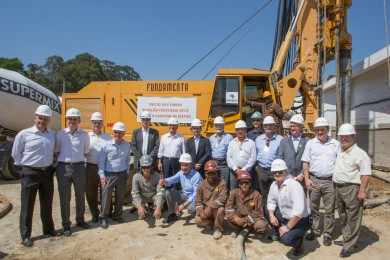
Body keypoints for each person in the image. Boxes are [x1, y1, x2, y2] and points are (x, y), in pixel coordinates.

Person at [11, 105, 56, 247]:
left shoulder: (52, 134)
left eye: (45, 118)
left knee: (47, 203)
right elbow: (15, 153)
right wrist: (24, 168)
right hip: (30, 173)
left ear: (49, 120)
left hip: (47, 173)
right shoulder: (24, 134)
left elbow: (54, 151)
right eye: (40, 117)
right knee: (27, 205)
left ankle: (48, 229)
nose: (42, 120)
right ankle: (25, 235)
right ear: (35, 117)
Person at [334, 124, 371, 258]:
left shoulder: (361, 154)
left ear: (353, 137)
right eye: (341, 136)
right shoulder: (340, 149)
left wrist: (362, 191)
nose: (343, 139)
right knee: (343, 215)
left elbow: (366, 174)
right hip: (338, 187)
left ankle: (349, 246)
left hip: (352, 188)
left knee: (353, 217)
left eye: (347, 136)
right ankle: (346, 239)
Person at [301, 117, 340, 245]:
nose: (319, 132)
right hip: (314, 180)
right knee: (314, 208)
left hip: (330, 181)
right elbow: (305, 162)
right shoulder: (311, 143)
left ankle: (328, 233)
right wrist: (307, 179)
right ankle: (316, 230)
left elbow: (340, 163)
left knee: (329, 209)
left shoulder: (335, 144)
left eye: (322, 129)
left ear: (327, 130)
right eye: (317, 130)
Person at [56, 108, 90, 236]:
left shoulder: (85, 135)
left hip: (79, 167)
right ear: (67, 120)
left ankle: (80, 220)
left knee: (80, 195)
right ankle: (66, 225)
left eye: (74, 119)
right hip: (63, 167)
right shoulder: (60, 134)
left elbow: (86, 151)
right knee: (65, 197)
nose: (72, 121)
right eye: (69, 118)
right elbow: (57, 150)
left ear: (79, 120)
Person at [267, 159, 310, 256]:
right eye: (275, 172)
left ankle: (298, 244)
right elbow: (271, 201)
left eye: (280, 172)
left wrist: (286, 227)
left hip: (300, 220)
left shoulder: (294, 185)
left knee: (285, 239)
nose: (277, 174)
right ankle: (278, 231)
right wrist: (271, 215)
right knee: (268, 211)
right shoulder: (274, 185)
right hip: (286, 215)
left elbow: (298, 213)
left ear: (286, 171)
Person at [98, 122, 131, 229]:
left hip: (121, 174)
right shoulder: (106, 145)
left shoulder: (127, 145)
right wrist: (102, 176)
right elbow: (101, 162)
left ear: (124, 133)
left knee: (120, 196)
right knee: (106, 197)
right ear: (113, 133)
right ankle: (104, 217)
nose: (118, 134)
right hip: (109, 175)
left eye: (120, 132)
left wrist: (127, 172)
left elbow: (127, 160)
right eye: (116, 132)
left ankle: (117, 215)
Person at [159, 153, 203, 224]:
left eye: (186, 165)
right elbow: (173, 179)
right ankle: (172, 214)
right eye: (182, 165)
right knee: (168, 192)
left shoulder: (196, 176)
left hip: (196, 198)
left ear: (191, 165)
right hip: (184, 195)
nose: (183, 167)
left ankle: (200, 213)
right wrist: (165, 181)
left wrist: (184, 205)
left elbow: (196, 194)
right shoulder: (181, 173)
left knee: (191, 209)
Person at [86, 112, 111, 223]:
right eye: (95, 122)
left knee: (104, 191)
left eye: (99, 122)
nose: (97, 124)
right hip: (90, 167)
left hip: (104, 168)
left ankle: (104, 214)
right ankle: (94, 214)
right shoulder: (86, 136)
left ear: (102, 124)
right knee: (90, 192)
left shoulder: (108, 137)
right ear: (92, 123)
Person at [225, 170, 268, 236]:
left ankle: (248, 229)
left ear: (250, 184)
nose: (244, 185)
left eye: (246, 183)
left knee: (261, 225)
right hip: (237, 219)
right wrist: (236, 218)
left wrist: (245, 220)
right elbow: (228, 209)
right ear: (239, 184)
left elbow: (259, 212)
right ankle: (238, 228)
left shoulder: (256, 195)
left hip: (250, 220)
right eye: (241, 183)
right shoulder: (234, 193)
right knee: (223, 215)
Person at [195, 160, 227, 240]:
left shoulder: (222, 183)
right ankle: (210, 223)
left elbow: (222, 199)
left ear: (217, 173)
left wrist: (210, 207)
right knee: (198, 220)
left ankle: (218, 229)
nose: (211, 175)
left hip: (216, 209)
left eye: (213, 173)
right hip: (206, 211)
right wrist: (201, 211)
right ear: (205, 174)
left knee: (221, 209)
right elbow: (198, 201)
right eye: (208, 173)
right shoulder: (201, 185)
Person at [255, 116, 283, 201]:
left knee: (276, 194)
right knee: (264, 194)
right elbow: (255, 154)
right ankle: (265, 213)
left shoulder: (280, 139)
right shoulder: (258, 139)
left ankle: (275, 213)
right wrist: (257, 168)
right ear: (263, 127)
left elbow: (282, 156)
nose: (268, 127)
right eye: (266, 125)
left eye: (271, 125)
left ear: (274, 126)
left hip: (275, 171)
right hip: (261, 170)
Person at [132, 155, 164, 221]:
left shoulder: (157, 176)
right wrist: (139, 206)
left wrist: (158, 207)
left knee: (162, 197)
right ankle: (143, 209)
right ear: (140, 167)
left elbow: (160, 192)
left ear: (151, 166)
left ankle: (155, 208)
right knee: (134, 200)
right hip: (142, 196)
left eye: (148, 167)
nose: (146, 169)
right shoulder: (136, 177)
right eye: (144, 167)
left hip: (153, 196)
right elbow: (135, 193)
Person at [226, 120, 257, 190]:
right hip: (234, 172)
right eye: (238, 130)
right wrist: (235, 169)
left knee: (246, 191)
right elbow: (228, 158)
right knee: (233, 190)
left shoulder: (251, 143)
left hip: (247, 172)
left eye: (242, 129)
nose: (240, 131)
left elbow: (253, 158)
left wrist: (244, 169)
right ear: (235, 131)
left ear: (245, 130)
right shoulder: (232, 142)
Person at [276, 114, 308, 181]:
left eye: (295, 126)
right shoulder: (284, 141)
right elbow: (280, 158)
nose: (292, 128)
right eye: (291, 126)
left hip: (302, 178)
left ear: (301, 127)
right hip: (287, 177)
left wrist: (302, 174)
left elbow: (309, 160)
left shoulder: (307, 142)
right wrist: (287, 174)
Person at [209, 116, 233, 188]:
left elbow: (231, 153)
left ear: (223, 125)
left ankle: (224, 199)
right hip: (214, 164)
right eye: (217, 125)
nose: (218, 127)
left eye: (220, 125)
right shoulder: (211, 138)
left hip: (224, 164)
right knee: (214, 183)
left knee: (224, 184)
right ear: (214, 126)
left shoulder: (229, 137)